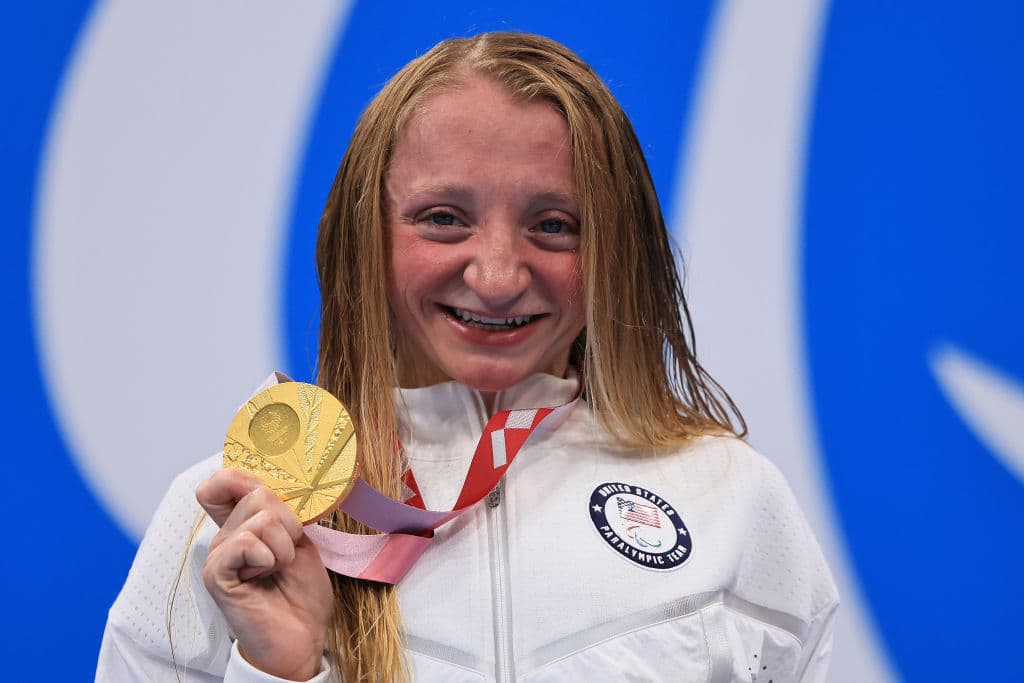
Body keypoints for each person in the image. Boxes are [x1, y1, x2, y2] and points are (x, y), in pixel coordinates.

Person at [97, 32, 838, 682]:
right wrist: (280, 672)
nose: (496, 274)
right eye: (443, 219)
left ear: (618, 247)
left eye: (554, 225)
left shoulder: (732, 500)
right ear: (367, 234)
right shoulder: (235, 524)